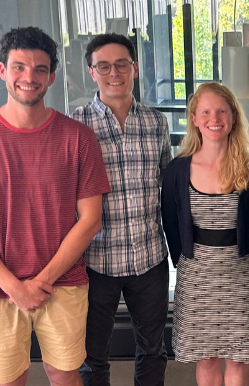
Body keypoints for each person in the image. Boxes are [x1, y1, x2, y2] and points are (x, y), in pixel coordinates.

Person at [0, 26, 110, 386]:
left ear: (51, 77)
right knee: (8, 380)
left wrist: (42, 280)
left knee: (65, 376)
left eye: (39, 69)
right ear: (3, 71)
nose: (28, 78)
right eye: (19, 67)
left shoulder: (78, 138)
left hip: (62, 283)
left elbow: (90, 220)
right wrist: (14, 286)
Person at [71, 33, 172, 386]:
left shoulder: (156, 122)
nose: (114, 73)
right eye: (104, 66)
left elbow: (166, 182)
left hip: (149, 257)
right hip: (95, 260)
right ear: (92, 72)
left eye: (122, 64)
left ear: (135, 68)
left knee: (153, 350)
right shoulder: (74, 124)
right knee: (92, 355)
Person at [161, 82, 249, 386]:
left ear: (234, 117)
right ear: (194, 118)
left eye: (222, 110)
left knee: (238, 357)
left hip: (241, 271)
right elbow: (170, 220)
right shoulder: (177, 170)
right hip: (197, 274)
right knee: (206, 357)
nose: (215, 118)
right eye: (206, 111)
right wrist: (182, 260)